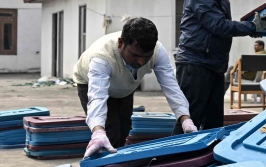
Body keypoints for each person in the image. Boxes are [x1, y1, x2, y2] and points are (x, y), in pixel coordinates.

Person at [74, 17, 196, 158]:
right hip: (88, 82)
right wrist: (98, 131)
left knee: (124, 129)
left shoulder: (157, 52)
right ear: (121, 43)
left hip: (124, 87)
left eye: (146, 57)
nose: (141, 61)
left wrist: (185, 119)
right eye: (135, 55)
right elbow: (97, 96)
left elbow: (171, 86)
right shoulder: (102, 57)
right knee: (110, 132)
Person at [176, 0, 265, 130]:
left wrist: (262, 28)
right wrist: (252, 27)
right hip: (196, 64)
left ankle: (206, 159)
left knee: (213, 125)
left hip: (214, 66)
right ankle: (176, 158)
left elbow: (225, 27)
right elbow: (219, 25)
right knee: (189, 123)